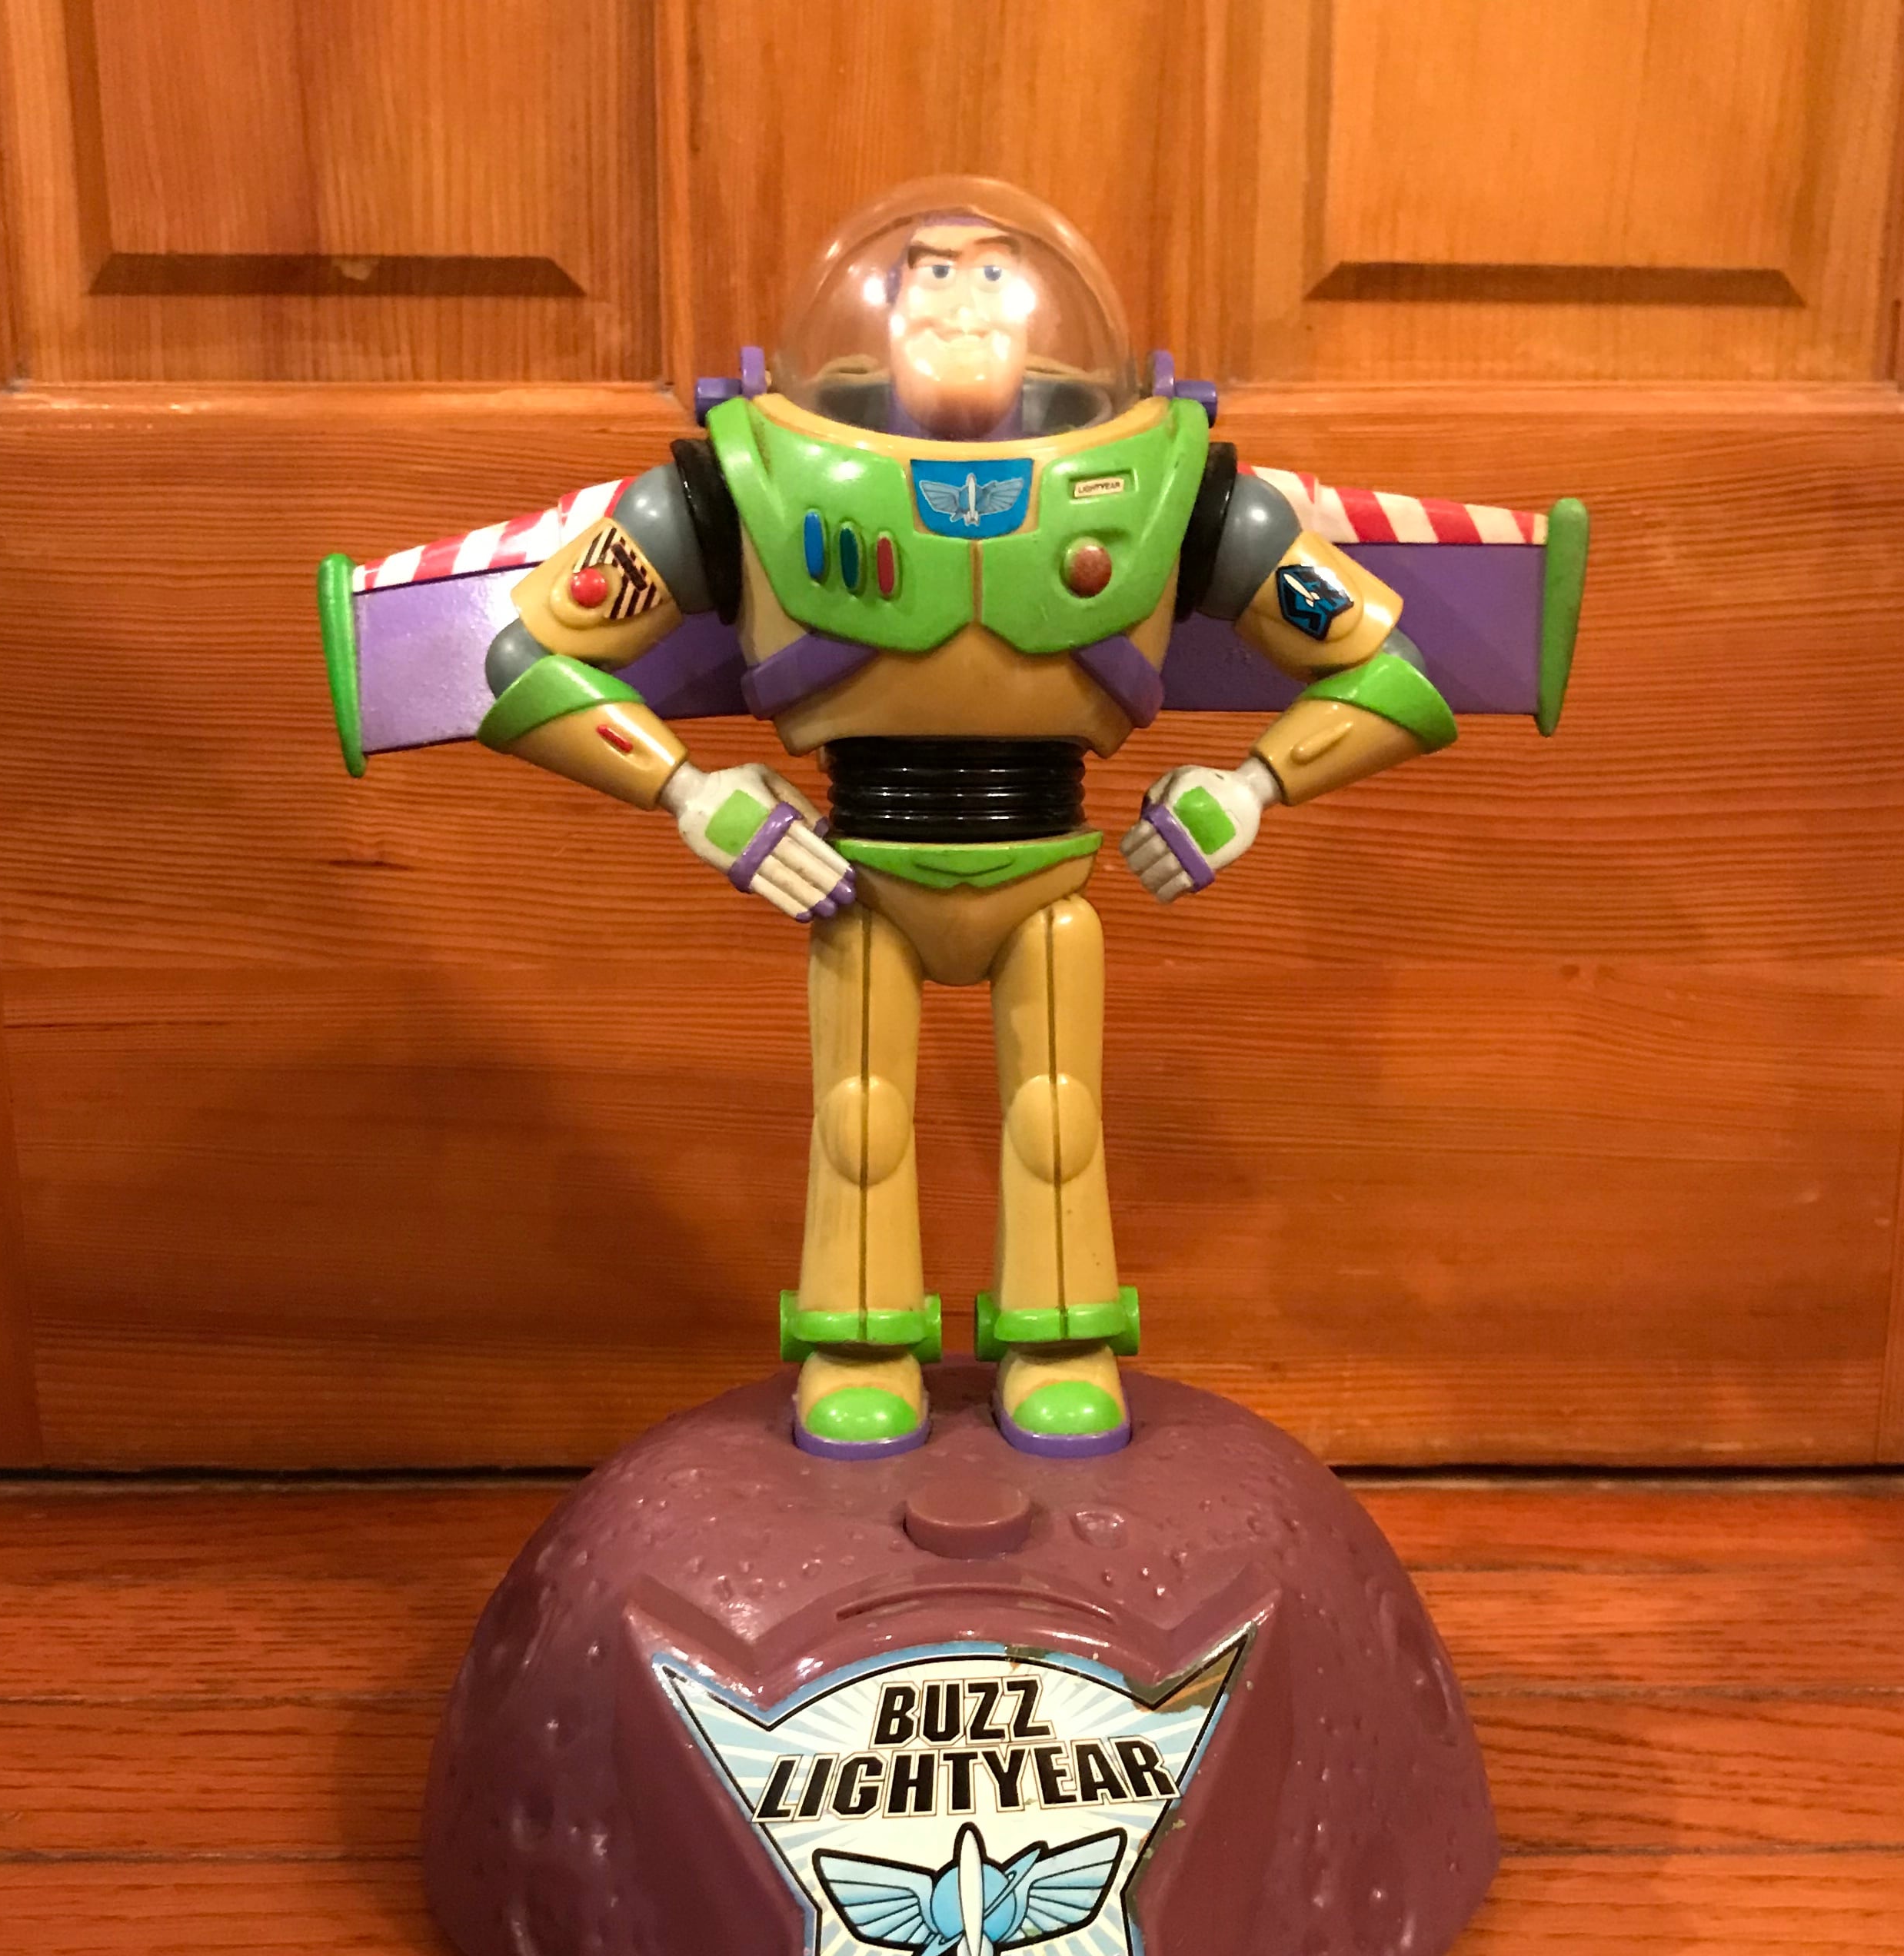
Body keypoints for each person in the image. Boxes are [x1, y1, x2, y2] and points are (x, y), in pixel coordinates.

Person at [468, 181, 1453, 1459]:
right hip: (853, 875)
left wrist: (1252, 787)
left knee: (1058, 1116)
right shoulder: (740, 481)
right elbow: (529, 661)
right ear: (884, 316)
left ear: (1039, 324)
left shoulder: (1177, 488)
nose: (963, 306)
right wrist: (695, 794)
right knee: (859, 1118)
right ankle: (857, 1343)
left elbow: (1390, 672)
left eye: (992, 278)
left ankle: (1063, 1338)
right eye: (931, 277)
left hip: (1047, 875)